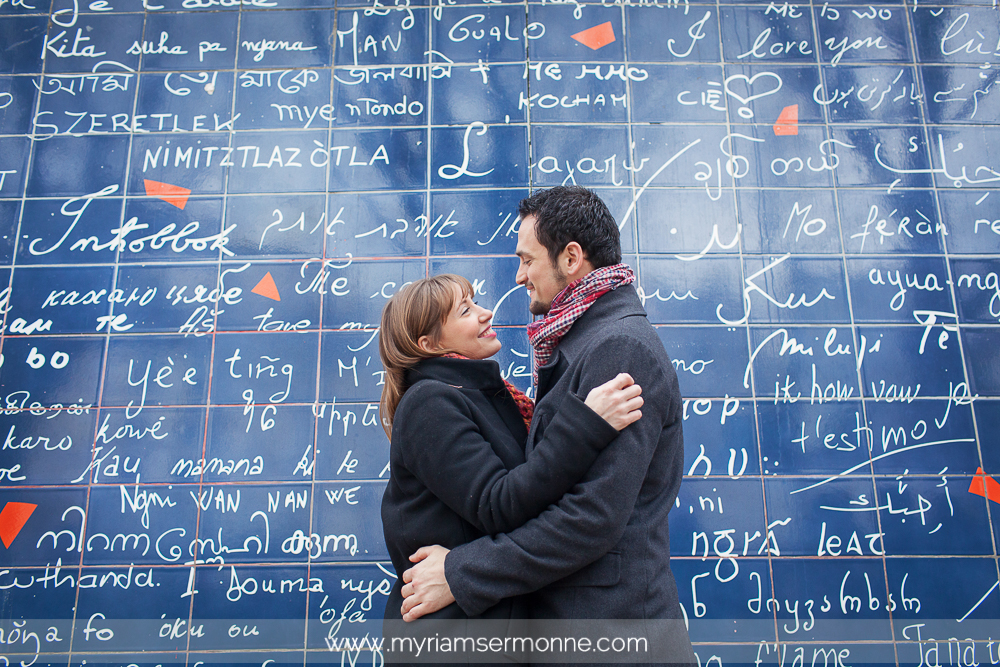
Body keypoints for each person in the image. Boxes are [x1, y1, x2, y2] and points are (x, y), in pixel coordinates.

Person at [399, 187, 696, 664]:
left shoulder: (619, 349)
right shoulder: (582, 342)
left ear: (572, 257)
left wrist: (462, 572)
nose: (518, 277)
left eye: (526, 260)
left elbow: (591, 517)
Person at [378, 274, 645, 633]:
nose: (486, 313)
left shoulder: (487, 393)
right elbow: (498, 505)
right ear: (429, 343)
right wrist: (587, 423)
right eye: (466, 311)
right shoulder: (429, 403)